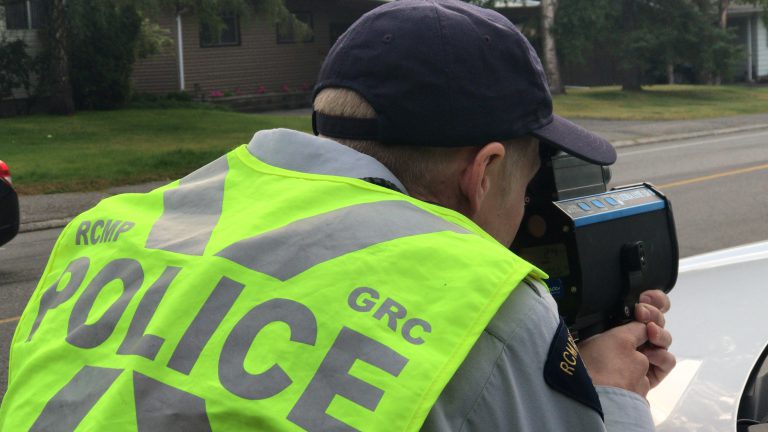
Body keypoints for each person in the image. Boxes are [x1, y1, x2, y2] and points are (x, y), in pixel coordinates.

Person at [0, 1, 674, 431]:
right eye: (530, 181)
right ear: (485, 171)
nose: (529, 205)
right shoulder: (480, 303)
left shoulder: (105, 231)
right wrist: (612, 393)